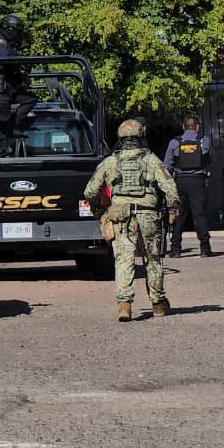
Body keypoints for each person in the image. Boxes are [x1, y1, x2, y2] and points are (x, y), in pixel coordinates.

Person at [84, 119, 180, 322]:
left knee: (123, 261)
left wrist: (100, 212)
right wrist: (173, 210)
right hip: (148, 216)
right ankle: (158, 304)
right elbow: (170, 188)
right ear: (141, 136)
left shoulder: (111, 162)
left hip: (121, 218)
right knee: (153, 260)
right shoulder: (151, 160)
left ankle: (124, 306)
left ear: (120, 137)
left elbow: (90, 191)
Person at [0, 15, 36, 157]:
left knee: (29, 99)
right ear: (9, 29)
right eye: (17, 31)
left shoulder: (4, 43)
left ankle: (13, 126)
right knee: (0, 119)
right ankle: (0, 154)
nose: (18, 35)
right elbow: (7, 56)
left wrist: (22, 75)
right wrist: (23, 60)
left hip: (6, 88)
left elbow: (10, 65)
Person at [164, 114, 214, 258]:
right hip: (198, 181)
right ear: (197, 127)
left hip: (180, 181)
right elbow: (211, 159)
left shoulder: (174, 143)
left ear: (183, 127)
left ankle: (175, 249)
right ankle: (205, 248)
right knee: (199, 215)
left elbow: (167, 165)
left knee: (179, 215)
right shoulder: (204, 141)